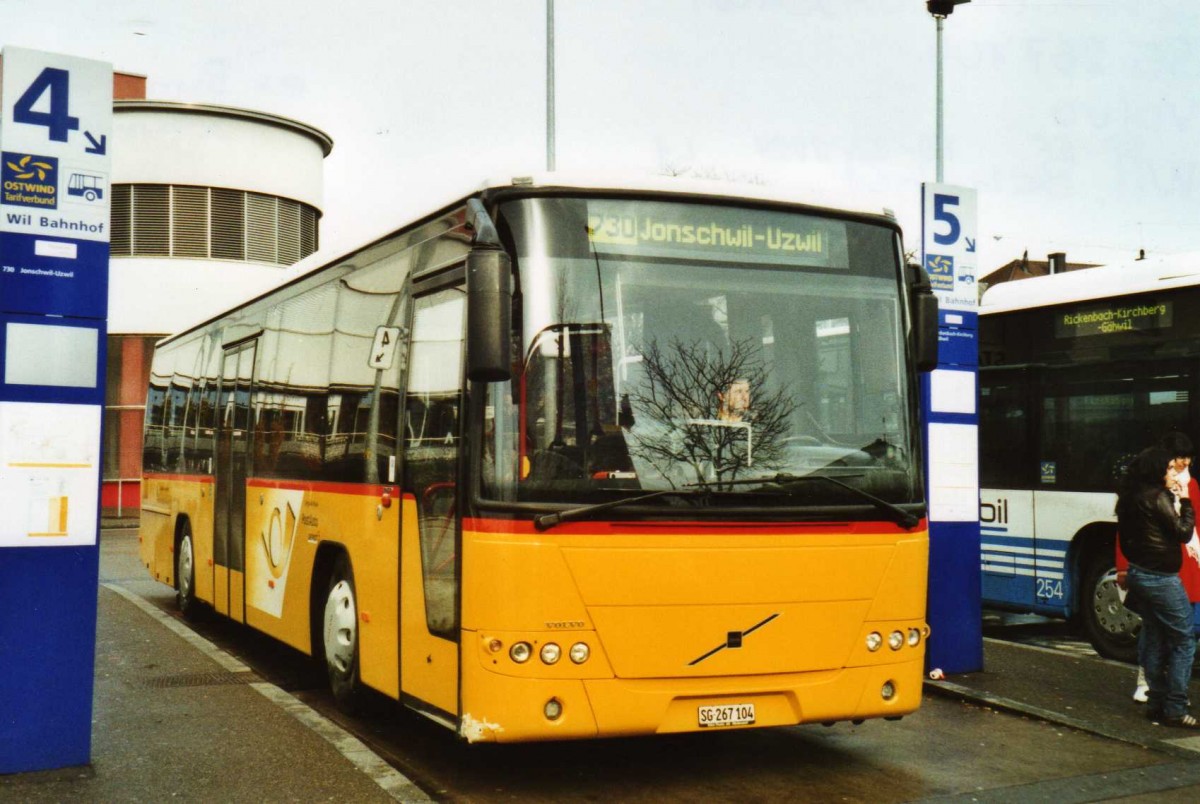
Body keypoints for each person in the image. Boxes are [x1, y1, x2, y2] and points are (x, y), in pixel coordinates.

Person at [1116, 445, 1199, 728]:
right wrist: (1185, 502)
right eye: (1166, 468)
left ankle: (1155, 703)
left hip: (1140, 574)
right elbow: (1183, 532)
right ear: (1155, 471)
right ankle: (1175, 708)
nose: (1171, 471)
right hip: (1161, 578)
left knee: (1153, 637)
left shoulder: (1129, 498)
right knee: (1184, 640)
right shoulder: (1157, 497)